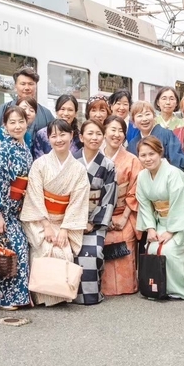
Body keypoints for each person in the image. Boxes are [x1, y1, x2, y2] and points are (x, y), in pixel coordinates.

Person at [20, 119, 90, 307]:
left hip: (64, 222)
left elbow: (77, 202)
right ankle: (41, 295)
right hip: (40, 220)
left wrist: (65, 229)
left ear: (72, 136)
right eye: (54, 136)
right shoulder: (40, 164)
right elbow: (34, 195)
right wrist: (46, 226)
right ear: (48, 139)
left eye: (63, 134)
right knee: (44, 247)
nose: (58, 139)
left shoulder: (78, 170)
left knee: (63, 251)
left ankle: (60, 294)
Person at [135, 136, 184, 300]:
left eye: (151, 154)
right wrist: (150, 228)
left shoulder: (173, 173)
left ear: (160, 153)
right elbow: (144, 205)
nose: (147, 159)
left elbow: (179, 204)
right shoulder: (142, 176)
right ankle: (158, 287)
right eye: (143, 155)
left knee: (170, 250)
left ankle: (180, 289)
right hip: (162, 221)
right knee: (152, 249)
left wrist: (171, 231)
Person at [0, 106, 33, 310]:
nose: (17, 126)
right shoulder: (3, 149)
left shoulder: (24, 148)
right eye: (12, 122)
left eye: (21, 121)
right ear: (4, 125)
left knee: (18, 250)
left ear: (26, 123)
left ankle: (17, 297)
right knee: (6, 252)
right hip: (1, 211)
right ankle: (0, 298)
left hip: (15, 209)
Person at [73, 119, 116, 305]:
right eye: (90, 133)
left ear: (103, 137)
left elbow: (109, 197)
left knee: (93, 251)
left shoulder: (108, 165)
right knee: (69, 252)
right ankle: (67, 294)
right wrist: (76, 221)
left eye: (98, 134)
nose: (94, 137)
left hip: (95, 221)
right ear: (81, 137)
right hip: (72, 220)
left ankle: (90, 296)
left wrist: (92, 222)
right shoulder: (72, 161)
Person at [101, 115, 142, 296]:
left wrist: (124, 217)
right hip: (100, 214)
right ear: (104, 132)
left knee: (125, 236)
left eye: (121, 131)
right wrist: (103, 218)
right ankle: (103, 287)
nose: (117, 134)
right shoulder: (95, 157)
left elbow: (136, 190)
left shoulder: (132, 160)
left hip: (124, 212)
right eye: (113, 130)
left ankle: (127, 286)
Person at [0, 66, 55, 134]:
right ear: (15, 86)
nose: (27, 88)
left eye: (30, 84)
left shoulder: (46, 114)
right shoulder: (0, 112)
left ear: (36, 86)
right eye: (23, 84)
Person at [126, 101, 184, 168]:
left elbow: (177, 160)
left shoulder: (167, 135)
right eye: (139, 116)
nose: (144, 119)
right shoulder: (132, 144)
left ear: (154, 116)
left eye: (147, 114)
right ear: (133, 121)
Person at [32, 94, 82, 158]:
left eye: (70, 110)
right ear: (56, 111)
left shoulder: (79, 137)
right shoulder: (42, 134)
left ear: (75, 113)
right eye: (62, 109)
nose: (66, 113)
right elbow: (38, 160)